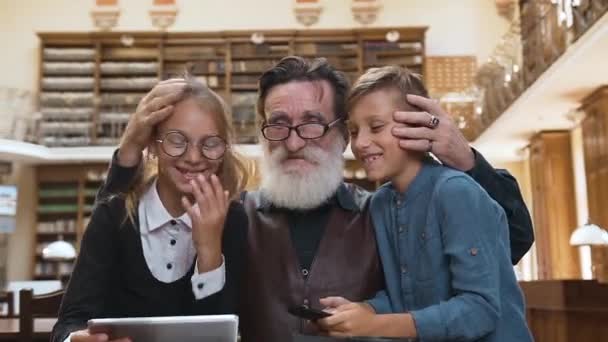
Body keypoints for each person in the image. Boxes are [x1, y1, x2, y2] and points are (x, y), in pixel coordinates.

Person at [96, 56, 534, 342]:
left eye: (311, 124)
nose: (294, 140)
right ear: (264, 133)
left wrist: (465, 160)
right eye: (279, 124)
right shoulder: (229, 214)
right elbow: (117, 236)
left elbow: (508, 242)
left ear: (343, 135)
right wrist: (130, 154)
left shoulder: (380, 209)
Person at [317, 66, 532, 341]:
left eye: (376, 127)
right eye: (355, 131)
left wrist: (372, 325)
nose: (361, 143)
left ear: (417, 123)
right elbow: (405, 297)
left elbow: (480, 310)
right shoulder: (381, 204)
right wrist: (361, 310)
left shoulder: (455, 192)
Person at [51, 78, 249, 342]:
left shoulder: (234, 219)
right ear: (153, 145)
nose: (193, 157)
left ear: (223, 150)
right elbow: (66, 325)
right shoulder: (113, 215)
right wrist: (75, 340)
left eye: (210, 143)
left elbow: (222, 332)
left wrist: (209, 250)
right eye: (177, 140)